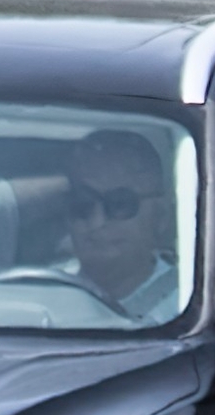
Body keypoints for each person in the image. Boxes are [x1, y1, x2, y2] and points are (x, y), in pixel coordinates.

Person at [60, 130, 179, 321]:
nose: (97, 222)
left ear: (161, 216)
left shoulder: (191, 307)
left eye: (120, 204)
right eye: (83, 203)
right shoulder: (45, 293)